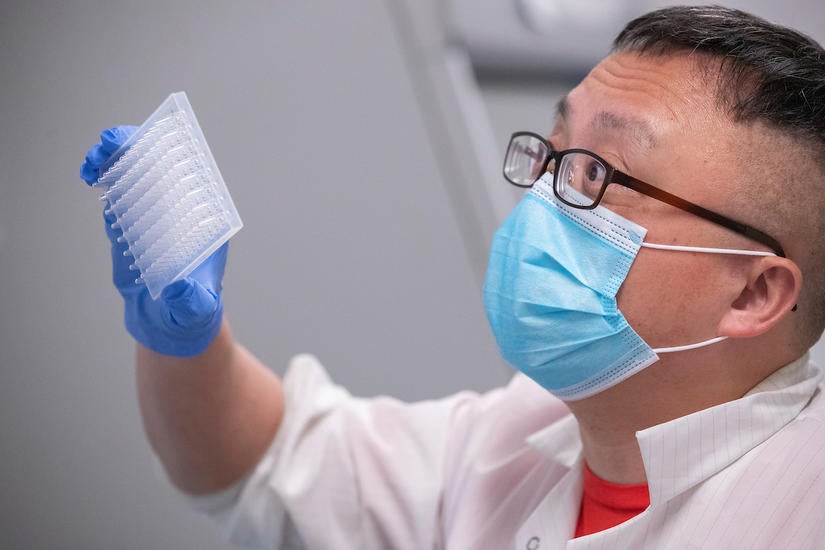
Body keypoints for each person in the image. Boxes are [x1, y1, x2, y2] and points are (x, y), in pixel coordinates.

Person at [79, 5, 825, 549]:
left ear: (753, 293)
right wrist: (184, 338)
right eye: (554, 150)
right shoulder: (518, 436)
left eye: (604, 173)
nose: (542, 199)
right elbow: (266, 464)